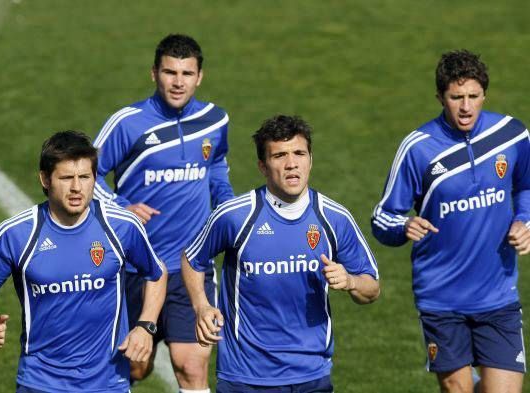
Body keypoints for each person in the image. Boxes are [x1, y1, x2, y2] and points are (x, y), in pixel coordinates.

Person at [181, 115, 380, 393]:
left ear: (310, 159)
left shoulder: (334, 218)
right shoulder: (235, 216)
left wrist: (350, 282)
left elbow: (371, 289)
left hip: (312, 374)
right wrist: (202, 306)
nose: (291, 164)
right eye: (279, 155)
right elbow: (192, 258)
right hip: (245, 376)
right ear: (263, 166)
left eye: (299, 153)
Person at [371, 50, 530, 393]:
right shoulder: (418, 148)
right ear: (440, 97)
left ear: (484, 94)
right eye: (456, 97)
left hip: (498, 295)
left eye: (473, 96)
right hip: (441, 298)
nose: (466, 107)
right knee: (458, 389)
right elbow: (382, 217)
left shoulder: (512, 135)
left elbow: (526, 185)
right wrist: (403, 227)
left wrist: (525, 220)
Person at [0, 130, 167, 393]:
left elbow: (157, 273)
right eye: (66, 178)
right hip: (40, 382)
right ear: (45, 179)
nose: (76, 188)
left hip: (108, 382)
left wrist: (145, 326)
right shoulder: (17, 234)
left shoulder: (121, 225)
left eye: (84, 177)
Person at [93, 33, 233, 392]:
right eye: (170, 72)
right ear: (154, 73)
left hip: (191, 267)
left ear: (199, 76)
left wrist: (228, 211)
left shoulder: (215, 120)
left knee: (191, 368)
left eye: (187, 73)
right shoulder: (127, 122)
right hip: (137, 266)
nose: (178, 81)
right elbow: (84, 174)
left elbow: (216, 167)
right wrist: (122, 207)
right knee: (133, 367)